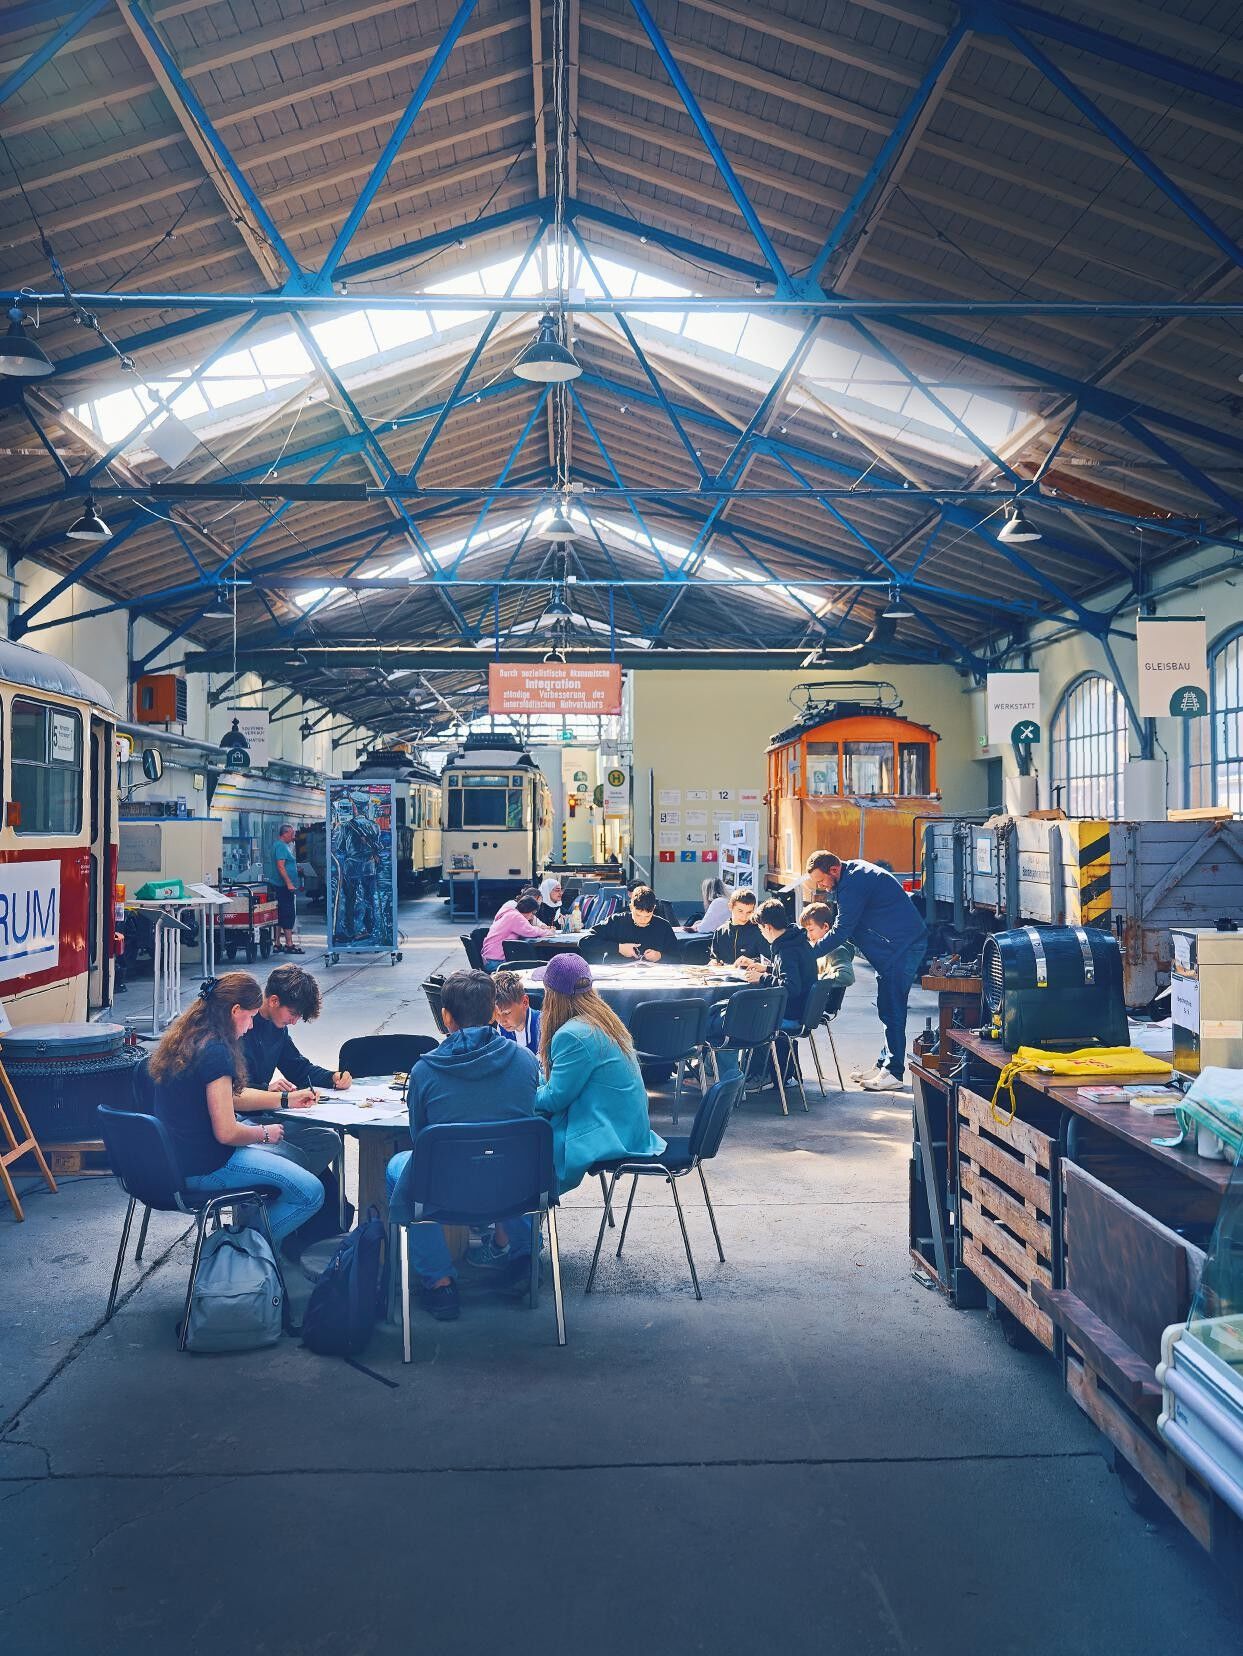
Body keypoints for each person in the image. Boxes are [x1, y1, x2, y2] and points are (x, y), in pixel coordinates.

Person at [386, 970, 540, 1320]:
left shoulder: (424, 1071)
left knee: (400, 1169)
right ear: (493, 1013)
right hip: (514, 1188)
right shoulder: (526, 1062)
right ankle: (525, 1258)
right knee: (516, 1158)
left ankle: (439, 1284)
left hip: (443, 1191)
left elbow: (419, 1137)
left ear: (446, 1017)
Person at [149, 972, 324, 1245]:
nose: (251, 1026)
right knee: (311, 1193)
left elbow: (226, 1105)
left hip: (175, 1161)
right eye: (251, 1017)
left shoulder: (187, 1038)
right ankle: (236, 1251)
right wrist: (263, 1134)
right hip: (206, 1165)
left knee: (294, 1157)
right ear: (235, 1010)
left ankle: (255, 1245)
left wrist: (278, 1109)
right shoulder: (216, 1052)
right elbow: (227, 1133)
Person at [234, 964, 352, 1247]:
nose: (295, 1021)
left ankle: (282, 1202)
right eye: (294, 1014)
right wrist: (272, 1093)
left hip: (264, 1113)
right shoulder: (239, 1027)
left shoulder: (278, 1029)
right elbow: (231, 1091)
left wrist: (332, 1078)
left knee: (328, 1140)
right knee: (300, 1158)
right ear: (273, 1001)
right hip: (242, 1119)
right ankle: (267, 1214)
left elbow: (297, 1067)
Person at [533, 952, 665, 1194]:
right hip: (629, 1128)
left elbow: (554, 1098)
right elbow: (561, 1084)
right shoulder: (604, 1019)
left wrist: (517, 1094)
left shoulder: (573, 1034)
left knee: (524, 1140)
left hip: (609, 1133)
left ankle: (521, 1209)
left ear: (552, 995)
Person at [804, 850, 928, 1090]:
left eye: (821, 880)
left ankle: (893, 1072)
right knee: (886, 1006)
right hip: (895, 947)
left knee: (892, 1008)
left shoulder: (853, 884)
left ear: (834, 870)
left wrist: (808, 954)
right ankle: (884, 1064)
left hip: (902, 947)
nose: (821, 886)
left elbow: (842, 930)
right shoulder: (851, 874)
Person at [592, 884, 677, 962]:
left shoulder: (663, 926)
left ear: (653, 909)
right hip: (619, 972)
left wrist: (660, 956)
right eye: (638, 915)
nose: (642, 920)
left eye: (647, 916)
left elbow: (678, 957)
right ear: (631, 907)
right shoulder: (616, 921)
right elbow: (587, 940)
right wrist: (618, 948)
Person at [481, 894, 549, 969]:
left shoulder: (510, 913)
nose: (532, 917)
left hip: (489, 959)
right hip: (496, 963)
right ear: (527, 909)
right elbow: (531, 931)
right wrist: (548, 932)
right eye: (533, 913)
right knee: (531, 966)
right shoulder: (516, 916)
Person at [798, 902, 856, 987]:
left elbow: (847, 977)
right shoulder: (816, 948)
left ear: (825, 926)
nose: (808, 935)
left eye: (811, 930)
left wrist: (815, 980)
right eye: (806, 931)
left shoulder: (837, 951)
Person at [269, 823, 302, 955]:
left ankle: (277, 943)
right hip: (282, 886)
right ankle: (289, 944)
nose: (293, 836)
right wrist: (289, 883)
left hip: (279, 885)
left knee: (279, 914)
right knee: (288, 913)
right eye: (292, 833)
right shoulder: (281, 846)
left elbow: (284, 865)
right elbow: (280, 866)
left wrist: (295, 869)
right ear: (285, 833)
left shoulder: (280, 846)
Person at [708, 888, 764, 965]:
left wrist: (753, 962)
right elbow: (714, 957)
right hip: (725, 972)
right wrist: (713, 962)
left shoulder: (760, 931)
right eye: (740, 911)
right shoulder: (720, 932)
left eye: (749, 912)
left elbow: (769, 960)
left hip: (750, 972)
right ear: (730, 907)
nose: (744, 916)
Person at [492, 969, 542, 1054]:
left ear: (525, 1002)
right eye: (497, 1014)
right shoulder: (500, 1029)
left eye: (507, 1013)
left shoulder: (544, 1026)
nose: (501, 1022)